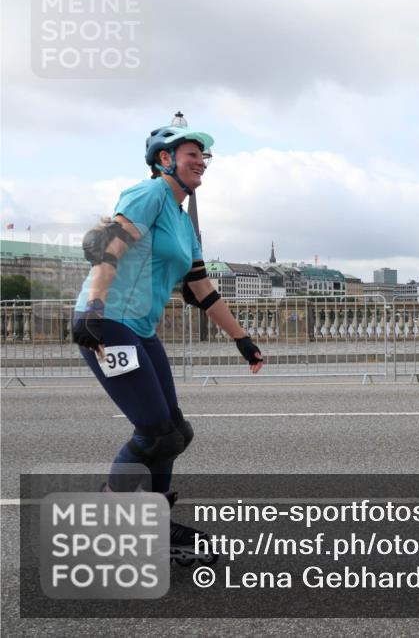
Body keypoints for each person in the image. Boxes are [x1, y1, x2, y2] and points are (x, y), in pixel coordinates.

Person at [72, 112, 264, 562]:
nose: (202, 162)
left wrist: (242, 340)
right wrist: (94, 309)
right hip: (109, 322)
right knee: (155, 432)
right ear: (165, 159)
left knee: (176, 432)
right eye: (192, 154)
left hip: (139, 329)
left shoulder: (183, 223)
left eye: (204, 156)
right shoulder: (152, 192)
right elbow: (110, 246)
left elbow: (202, 288)